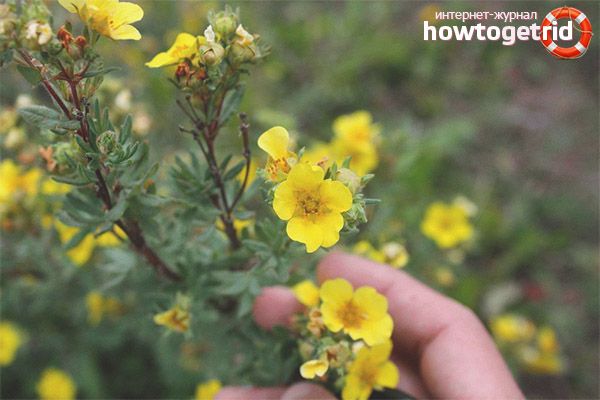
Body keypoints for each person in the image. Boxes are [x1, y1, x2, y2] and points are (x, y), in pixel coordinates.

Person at [214, 251, 525, 400]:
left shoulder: (362, 350)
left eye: (352, 315)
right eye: (348, 314)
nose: (350, 317)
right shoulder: (337, 315)